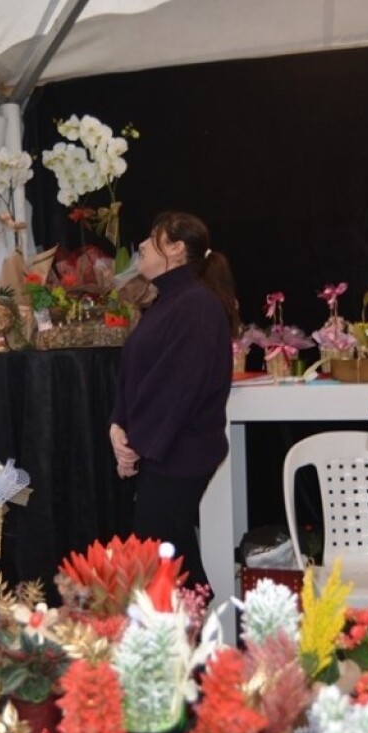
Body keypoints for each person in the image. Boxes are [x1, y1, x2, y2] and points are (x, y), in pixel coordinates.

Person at [109, 211, 238, 589]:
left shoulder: (197, 305)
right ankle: (188, 634)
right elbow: (134, 373)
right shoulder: (168, 302)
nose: (143, 246)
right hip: (163, 451)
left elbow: (179, 388)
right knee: (164, 559)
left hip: (177, 455)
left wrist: (135, 443)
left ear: (176, 249)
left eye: (153, 238)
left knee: (160, 563)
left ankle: (189, 635)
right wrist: (118, 426)